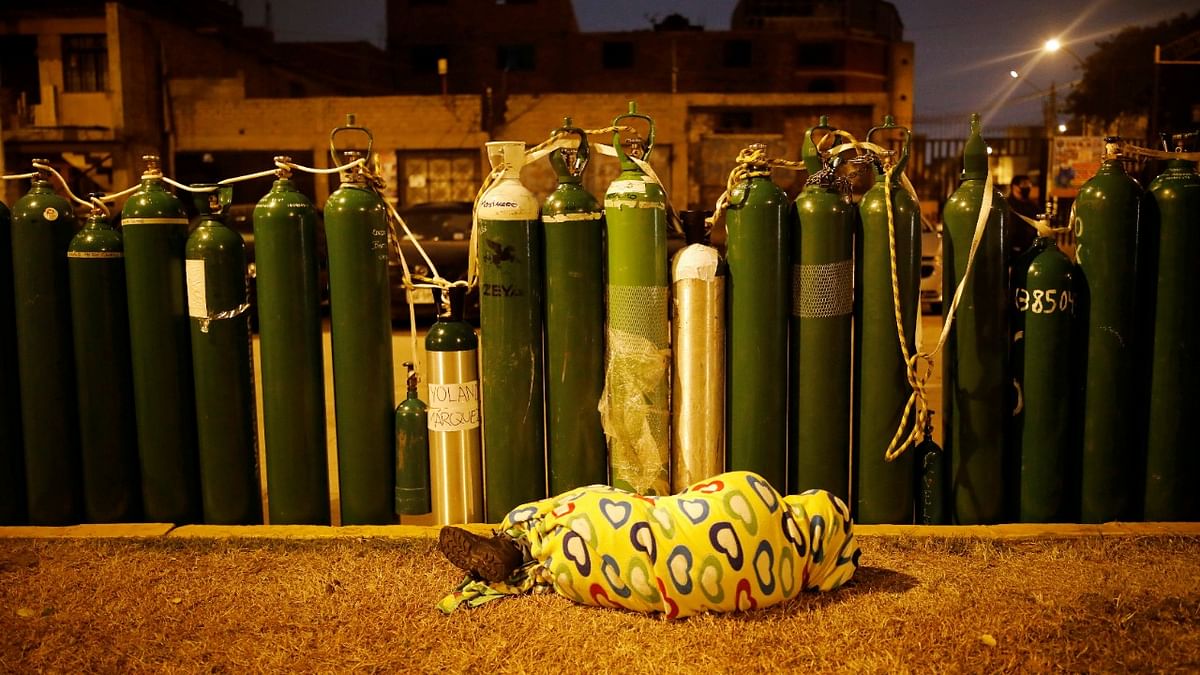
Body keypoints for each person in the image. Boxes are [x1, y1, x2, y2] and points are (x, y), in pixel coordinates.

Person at [435, 471, 861, 618]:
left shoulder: (760, 493)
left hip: (622, 530)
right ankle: (536, 565)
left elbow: (695, 500)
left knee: (603, 502)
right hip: (613, 580)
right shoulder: (782, 587)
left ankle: (514, 541)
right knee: (623, 545)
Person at [1006, 175, 1040, 260]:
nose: (1028, 187)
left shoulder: (1033, 206)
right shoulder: (1006, 205)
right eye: (1024, 184)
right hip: (1010, 251)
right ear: (1014, 186)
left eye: (1029, 184)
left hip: (1030, 250)